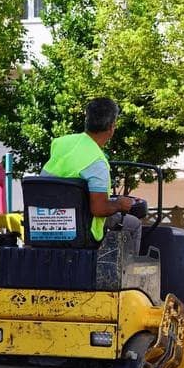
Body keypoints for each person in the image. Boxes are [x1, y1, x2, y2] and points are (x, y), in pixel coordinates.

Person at [41, 96, 142, 254]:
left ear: (87, 121)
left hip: (46, 220)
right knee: (134, 224)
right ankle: (121, 274)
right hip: (80, 227)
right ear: (111, 127)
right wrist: (119, 204)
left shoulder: (61, 143)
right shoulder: (97, 162)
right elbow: (99, 209)